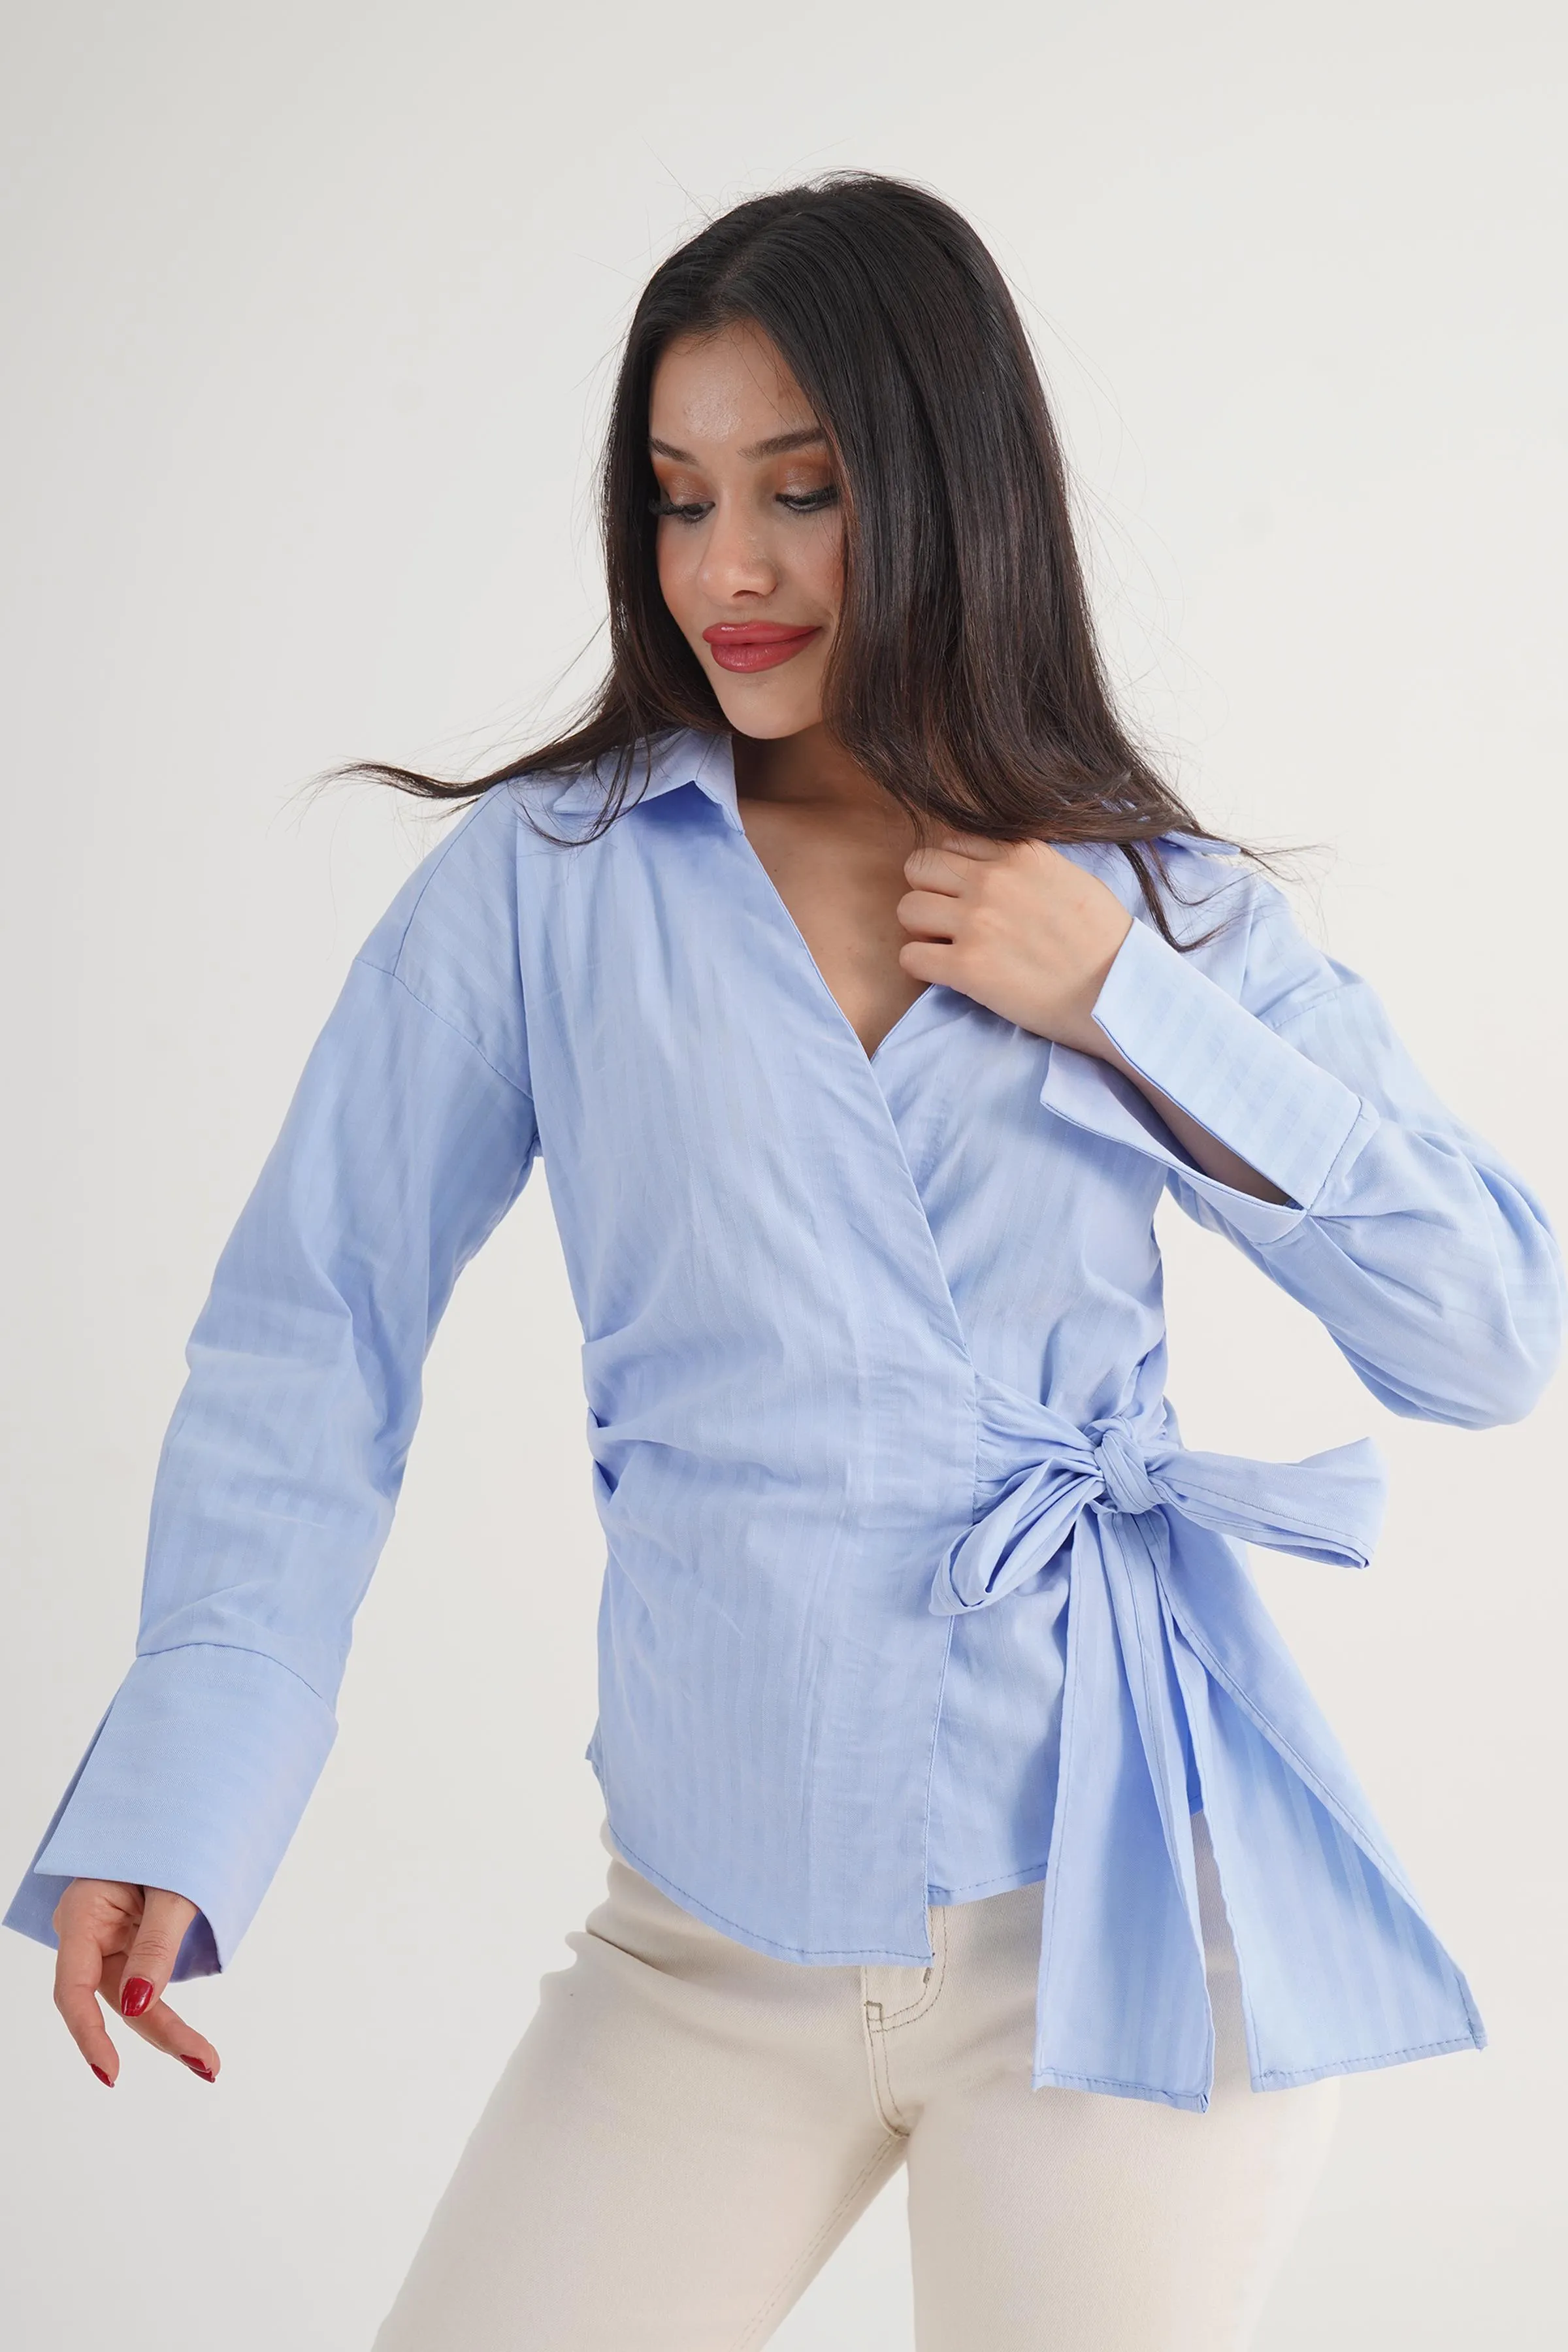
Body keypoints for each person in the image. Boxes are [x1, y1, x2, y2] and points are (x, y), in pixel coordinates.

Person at [7, 174, 1561, 2350]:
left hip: (1122, 1929)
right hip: (700, 1954)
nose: (723, 570)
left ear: (943, 492)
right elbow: (313, 1337)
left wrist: (1128, 1003)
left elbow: (1488, 1333)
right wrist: (191, 1786)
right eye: (678, 496)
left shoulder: (1148, 904)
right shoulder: (544, 885)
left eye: (800, 492)